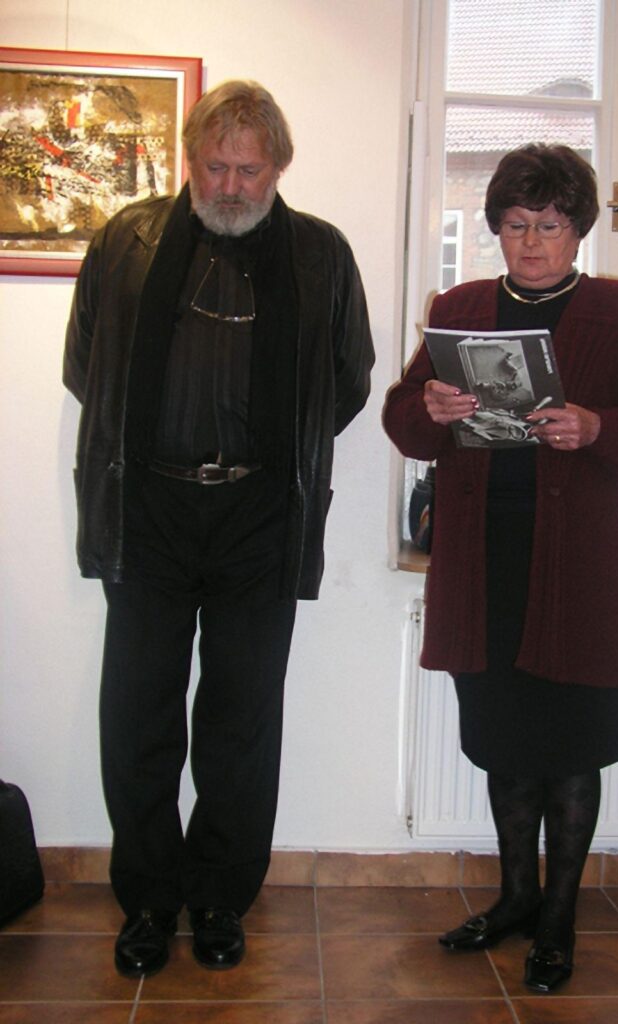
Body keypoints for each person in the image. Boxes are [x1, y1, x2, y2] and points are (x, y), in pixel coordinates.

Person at [64, 80, 374, 977]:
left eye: (249, 170)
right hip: (147, 511)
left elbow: (347, 378)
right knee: (139, 713)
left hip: (260, 517)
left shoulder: (321, 253)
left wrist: (263, 454)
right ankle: (148, 898)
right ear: (189, 159)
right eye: (215, 166)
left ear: (279, 168)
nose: (230, 186)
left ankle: (218, 898)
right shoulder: (125, 241)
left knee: (241, 721)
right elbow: (88, 365)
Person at [383, 144, 618, 993]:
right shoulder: (460, 308)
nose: (532, 243)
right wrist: (430, 406)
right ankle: (515, 897)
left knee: (572, 750)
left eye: (549, 225)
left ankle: (558, 918)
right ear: (497, 229)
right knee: (505, 744)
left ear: (578, 228)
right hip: (483, 565)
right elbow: (404, 423)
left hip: (577, 570)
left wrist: (597, 428)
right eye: (516, 225)